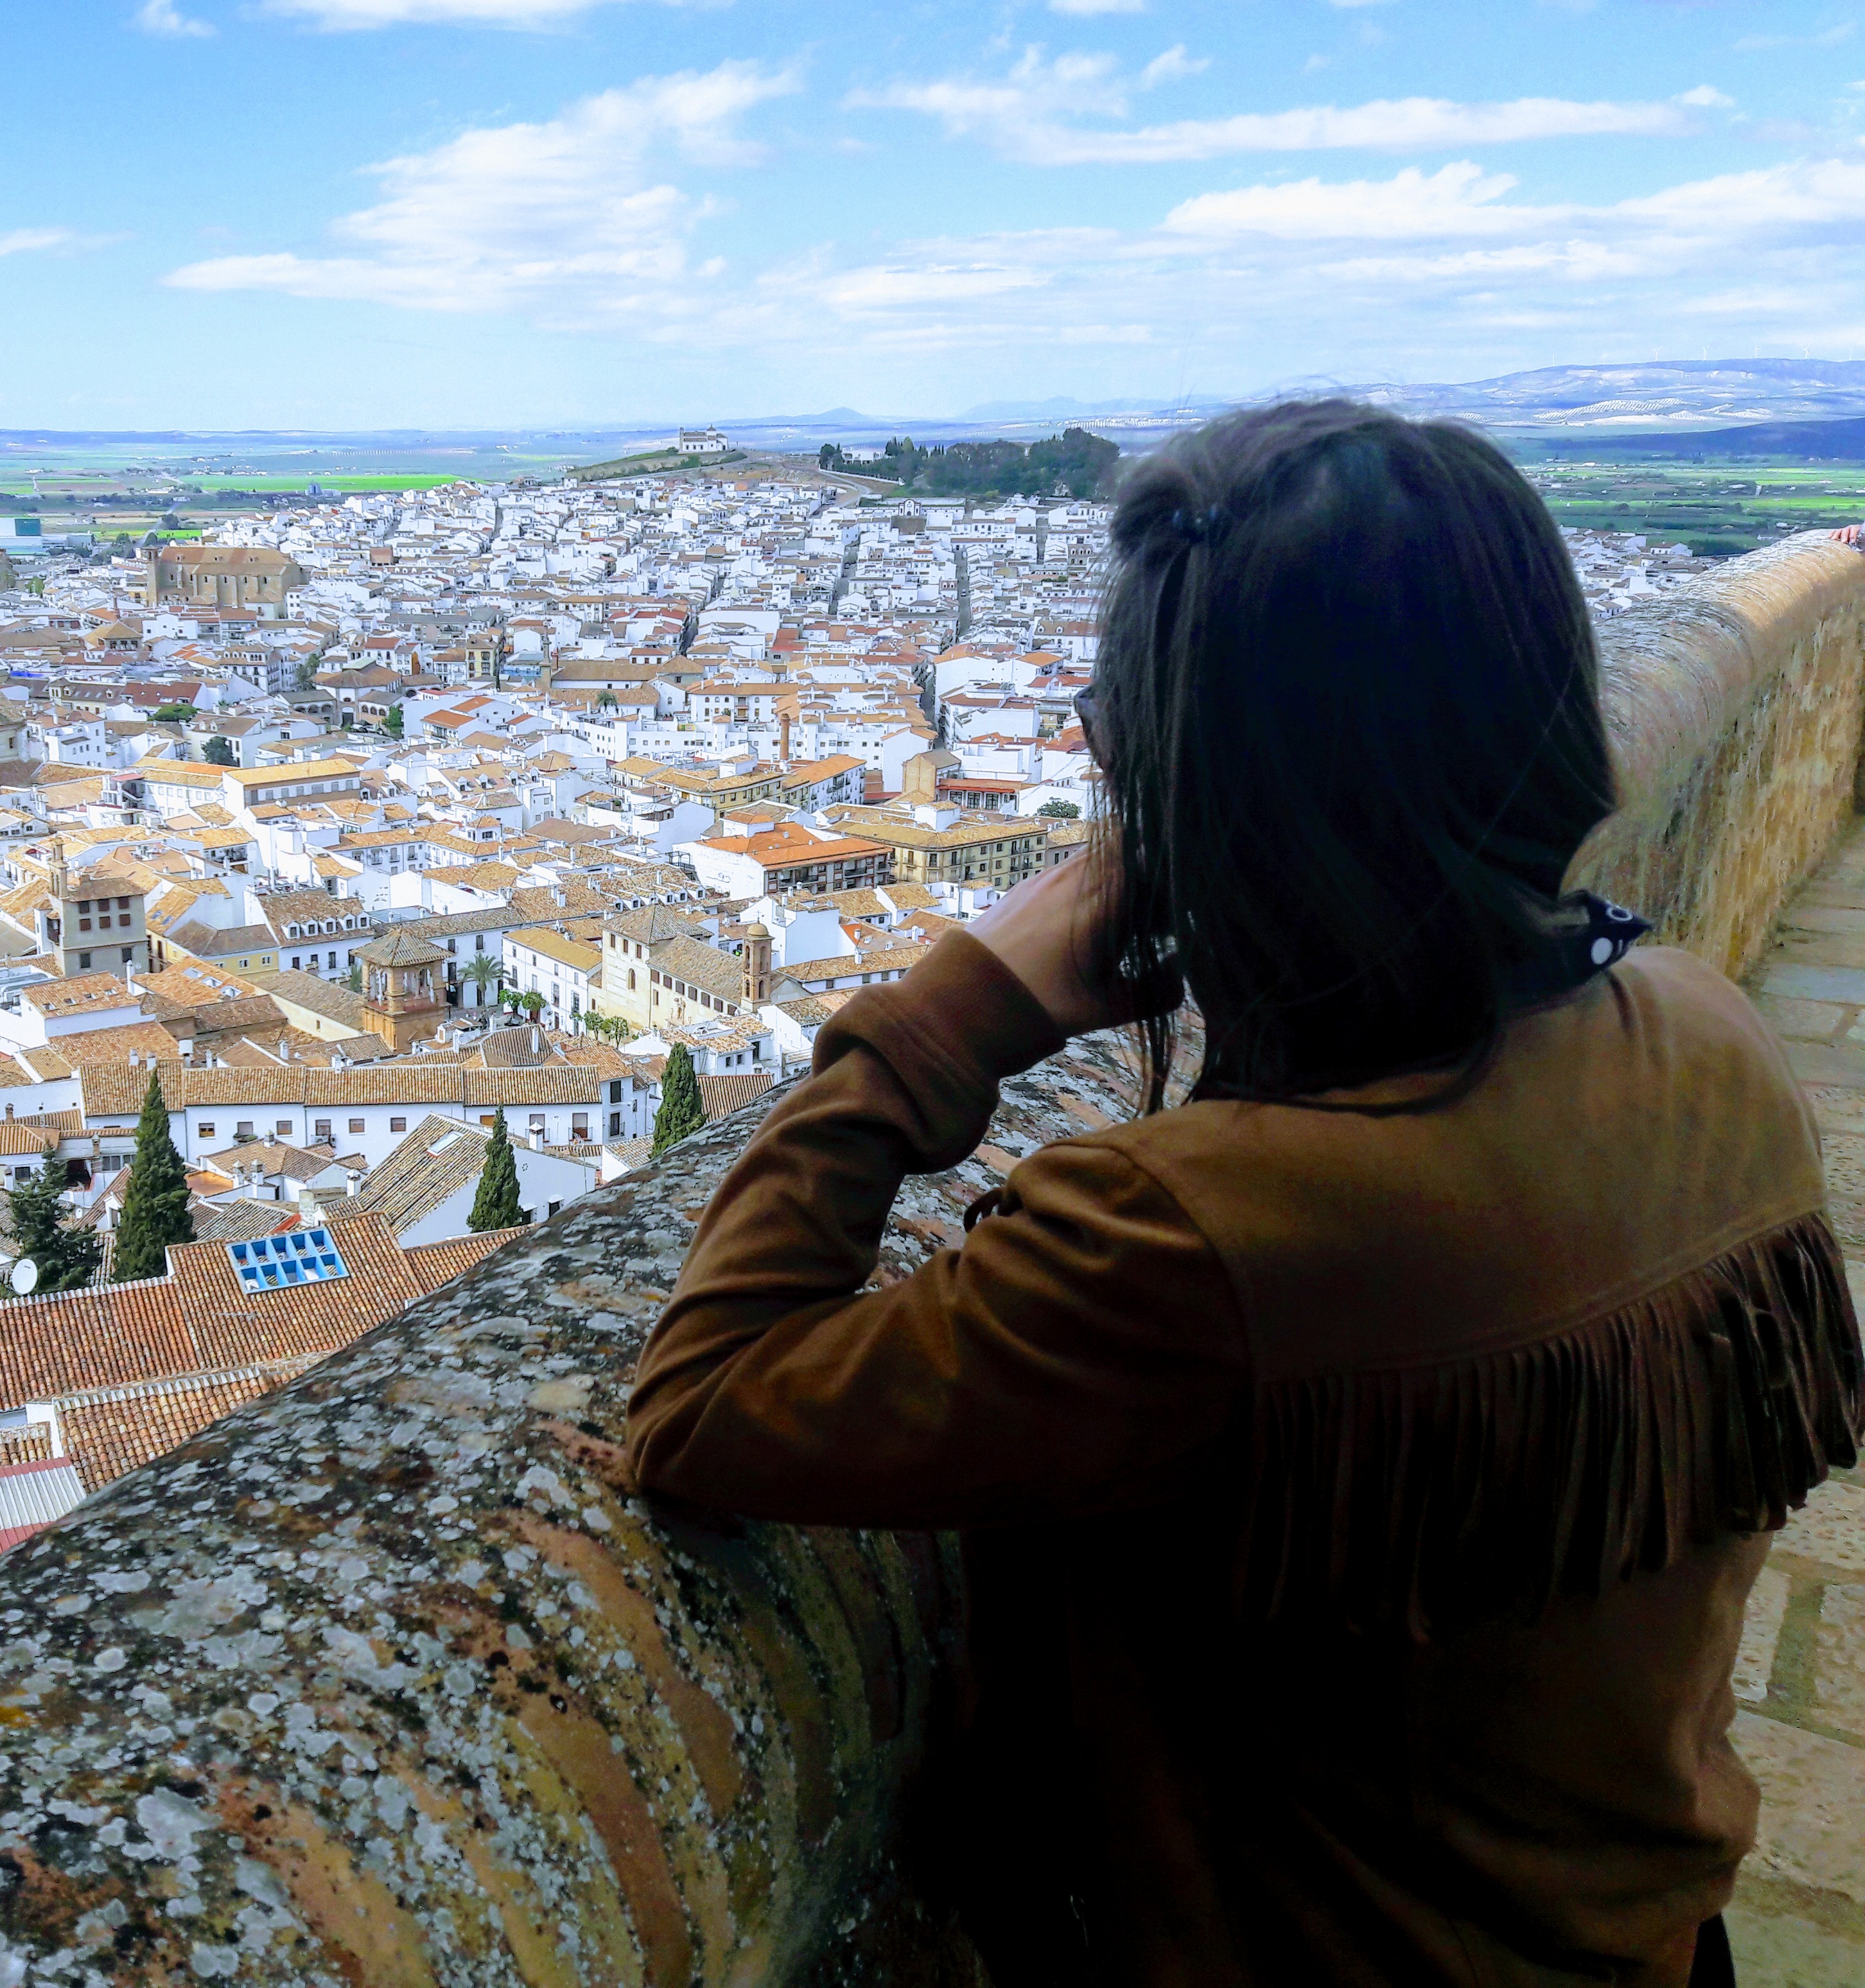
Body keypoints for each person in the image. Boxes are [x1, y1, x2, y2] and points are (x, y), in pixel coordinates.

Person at [627, 401, 1863, 1988]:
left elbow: (705, 1402)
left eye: (1111, 725)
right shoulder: (1713, 1041)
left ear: (1191, 791)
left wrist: (952, 1014)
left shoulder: (1198, 1235)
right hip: (1660, 1941)